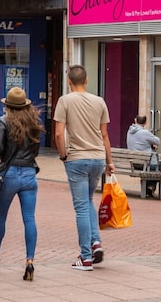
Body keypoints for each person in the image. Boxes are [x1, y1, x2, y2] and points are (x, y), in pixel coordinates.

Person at [53, 64, 114, 271]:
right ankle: (95, 242)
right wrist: (110, 161)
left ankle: (85, 257)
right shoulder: (100, 102)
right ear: (86, 80)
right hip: (97, 158)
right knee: (88, 201)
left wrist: (63, 155)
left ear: (68, 81)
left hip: (77, 159)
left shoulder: (64, 101)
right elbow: (105, 135)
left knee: (80, 206)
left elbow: (59, 134)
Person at [0, 87, 43, 282]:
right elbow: (36, 149)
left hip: (9, 174)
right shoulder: (33, 123)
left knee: (0, 218)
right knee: (29, 218)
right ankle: (29, 260)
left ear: (7, 106)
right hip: (28, 173)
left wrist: (5, 159)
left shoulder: (3, 122)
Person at [126, 114, 161, 197]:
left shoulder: (130, 131)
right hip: (145, 164)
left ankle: (149, 186)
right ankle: (148, 184)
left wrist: (150, 144)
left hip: (134, 163)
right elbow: (158, 141)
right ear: (146, 122)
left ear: (135, 120)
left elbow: (140, 143)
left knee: (156, 169)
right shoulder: (145, 132)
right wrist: (153, 143)